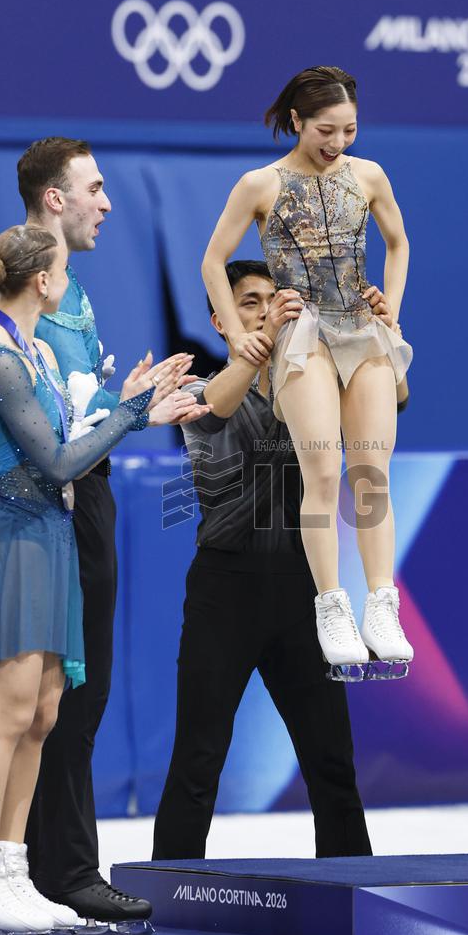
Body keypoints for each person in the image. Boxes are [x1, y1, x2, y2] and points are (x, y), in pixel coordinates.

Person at [0, 225, 198, 935]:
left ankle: (11, 868)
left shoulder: (32, 354)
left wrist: (136, 406)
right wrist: (129, 415)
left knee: (44, 714)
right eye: (62, 272)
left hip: (52, 542)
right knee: (7, 713)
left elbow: (73, 436)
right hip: (15, 543)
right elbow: (58, 464)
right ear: (43, 282)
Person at [153, 259, 407, 860]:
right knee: (199, 754)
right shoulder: (199, 393)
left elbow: (396, 391)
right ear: (219, 319)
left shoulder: (325, 393)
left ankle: (353, 893)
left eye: (274, 299)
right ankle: (167, 894)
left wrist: (378, 331)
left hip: (305, 593)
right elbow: (217, 406)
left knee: (331, 760)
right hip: (225, 592)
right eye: (248, 303)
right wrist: (259, 351)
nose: (266, 310)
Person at [202, 67, 414, 681]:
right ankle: (332, 605)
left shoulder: (368, 176)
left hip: (362, 327)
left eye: (349, 129)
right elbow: (214, 260)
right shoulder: (259, 184)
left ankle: (381, 603)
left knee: (372, 471)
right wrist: (242, 336)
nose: (338, 142)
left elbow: (398, 243)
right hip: (302, 335)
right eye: (326, 130)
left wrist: (392, 307)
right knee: (323, 469)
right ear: (296, 122)